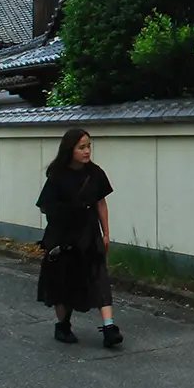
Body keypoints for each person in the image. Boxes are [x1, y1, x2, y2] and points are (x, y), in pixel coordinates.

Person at [35, 128, 123, 348]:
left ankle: (109, 327)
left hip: (89, 232)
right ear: (70, 149)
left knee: (99, 276)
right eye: (81, 147)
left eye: (89, 146)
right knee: (63, 283)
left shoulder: (95, 173)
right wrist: (65, 216)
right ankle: (63, 325)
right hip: (63, 236)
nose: (87, 151)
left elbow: (101, 203)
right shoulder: (57, 175)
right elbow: (46, 207)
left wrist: (106, 233)